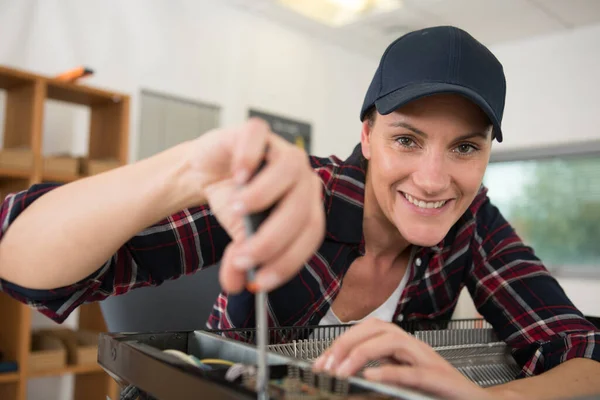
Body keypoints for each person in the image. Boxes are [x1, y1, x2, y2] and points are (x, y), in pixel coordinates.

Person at [0, 25, 598, 399]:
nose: (434, 180)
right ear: (366, 135)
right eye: (407, 140)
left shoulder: (474, 223)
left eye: (465, 147)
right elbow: (23, 261)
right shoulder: (294, 192)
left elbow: (584, 355)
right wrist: (187, 172)